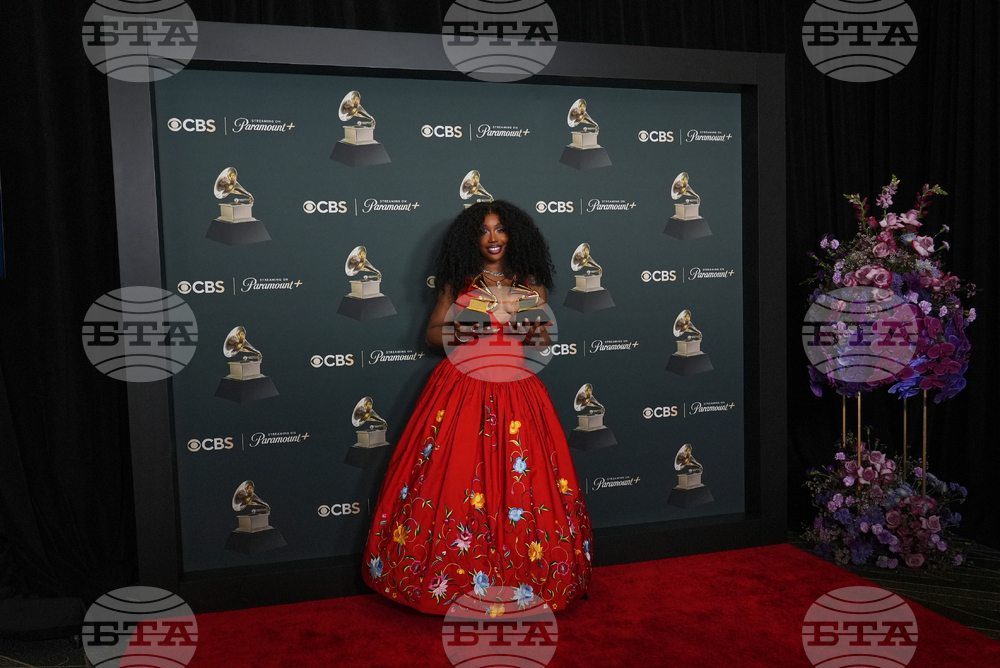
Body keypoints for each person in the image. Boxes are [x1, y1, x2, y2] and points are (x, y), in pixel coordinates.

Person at [362, 200, 593, 614]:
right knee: (456, 479)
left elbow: (540, 343)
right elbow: (433, 335)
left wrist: (526, 321)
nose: (492, 238)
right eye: (484, 231)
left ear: (513, 236)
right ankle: (449, 582)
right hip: (461, 389)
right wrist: (483, 321)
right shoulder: (459, 282)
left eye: (500, 229)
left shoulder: (530, 282)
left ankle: (523, 580)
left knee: (523, 484)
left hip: (517, 391)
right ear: (474, 238)